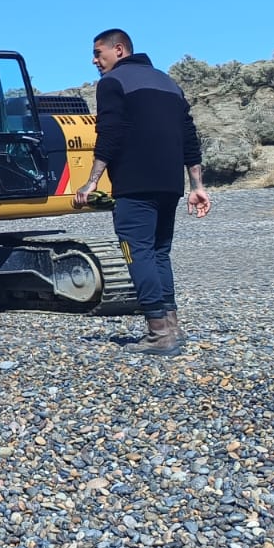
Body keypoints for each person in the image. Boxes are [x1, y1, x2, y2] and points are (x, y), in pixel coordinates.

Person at [73, 28, 211, 356]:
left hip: (134, 184)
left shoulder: (112, 83)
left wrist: (92, 181)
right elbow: (189, 136)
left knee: (137, 252)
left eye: (98, 53)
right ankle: (172, 325)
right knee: (159, 252)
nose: (95, 60)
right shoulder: (167, 82)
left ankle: (158, 332)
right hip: (169, 184)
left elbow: (110, 132)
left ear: (119, 49)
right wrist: (197, 186)